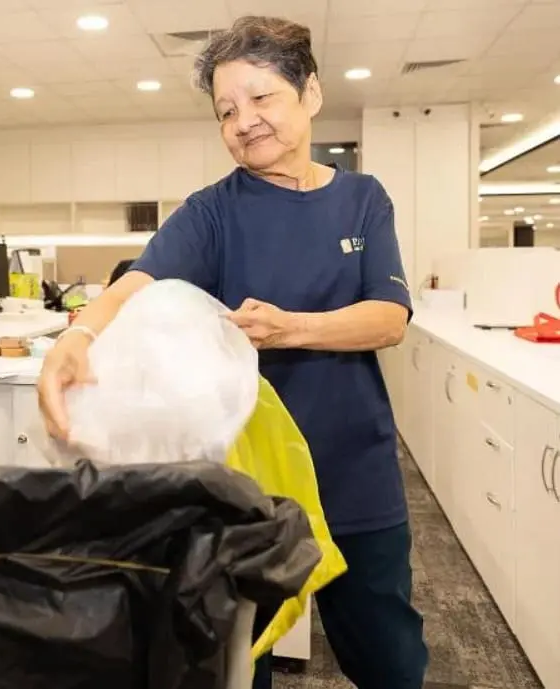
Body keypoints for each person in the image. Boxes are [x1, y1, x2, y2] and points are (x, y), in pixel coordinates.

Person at [37, 15, 428, 689]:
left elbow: (388, 317)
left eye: (260, 98)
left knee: (388, 659)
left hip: (355, 474)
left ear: (310, 92)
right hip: (246, 488)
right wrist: (77, 336)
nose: (243, 121)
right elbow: (135, 284)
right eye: (225, 110)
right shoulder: (211, 212)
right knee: (239, 661)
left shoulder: (364, 201)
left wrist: (289, 328)